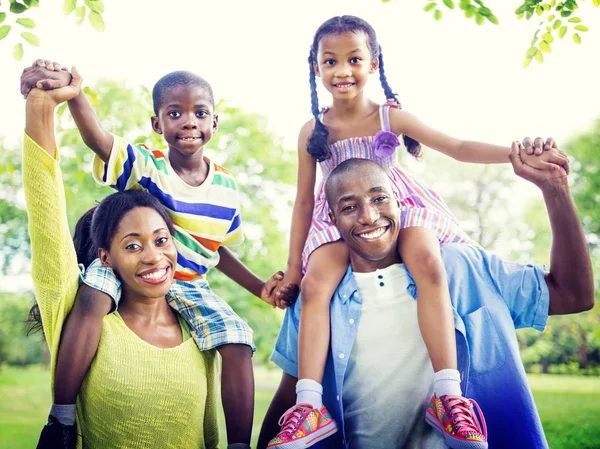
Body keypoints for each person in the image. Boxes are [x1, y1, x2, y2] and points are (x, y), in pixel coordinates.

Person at [267, 14, 570, 449]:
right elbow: (301, 200)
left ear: (373, 65)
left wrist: (516, 155)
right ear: (316, 68)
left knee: (429, 262)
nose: (342, 70)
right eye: (330, 61)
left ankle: (448, 395)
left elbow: (459, 148)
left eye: (354, 59)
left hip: (397, 207)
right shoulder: (312, 130)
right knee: (317, 286)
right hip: (340, 217)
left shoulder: (390, 116)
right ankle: (309, 404)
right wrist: (293, 267)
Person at [21, 61, 294, 449]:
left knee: (238, 339)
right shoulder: (149, 165)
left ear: (214, 123)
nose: (188, 121)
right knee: (92, 296)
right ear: (157, 123)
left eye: (200, 113)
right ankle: (62, 417)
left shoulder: (227, 187)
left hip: (190, 284)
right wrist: (76, 95)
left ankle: (238, 444)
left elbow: (218, 249)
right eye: (175, 113)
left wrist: (260, 288)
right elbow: (99, 140)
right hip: (127, 272)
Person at [260, 154, 594, 449]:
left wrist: (555, 189)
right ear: (332, 219)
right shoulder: (317, 292)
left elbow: (573, 294)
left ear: (399, 203)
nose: (369, 217)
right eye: (350, 207)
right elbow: (290, 394)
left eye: (380, 200)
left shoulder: (464, 268)